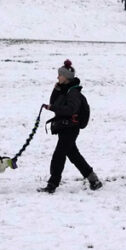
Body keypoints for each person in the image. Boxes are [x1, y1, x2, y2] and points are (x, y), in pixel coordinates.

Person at [39, 60, 102, 193]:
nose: (57, 77)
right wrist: (56, 89)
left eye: (60, 75)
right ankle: (93, 180)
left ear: (66, 77)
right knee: (73, 155)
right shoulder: (64, 90)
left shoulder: (73, 93)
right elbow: (54, 102)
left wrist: (53, 107)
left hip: (70, 128)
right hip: (64, 128)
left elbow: (70, 109)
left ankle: (52, 184)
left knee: (59, 155)